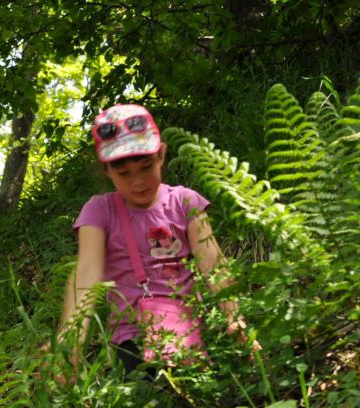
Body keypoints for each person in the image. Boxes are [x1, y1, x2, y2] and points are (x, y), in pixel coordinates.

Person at [53, 104, 255, 376]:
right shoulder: (99, 211)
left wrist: (233, 315)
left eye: (146, 167)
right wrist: (71, 341)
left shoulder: (184, 201)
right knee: (153, 405)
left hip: (193, 324)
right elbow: (86, 273)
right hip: (132, 336)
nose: (137, 182)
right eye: (124, 174)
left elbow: (212, 263)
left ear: (161, 154)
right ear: (106, 171)